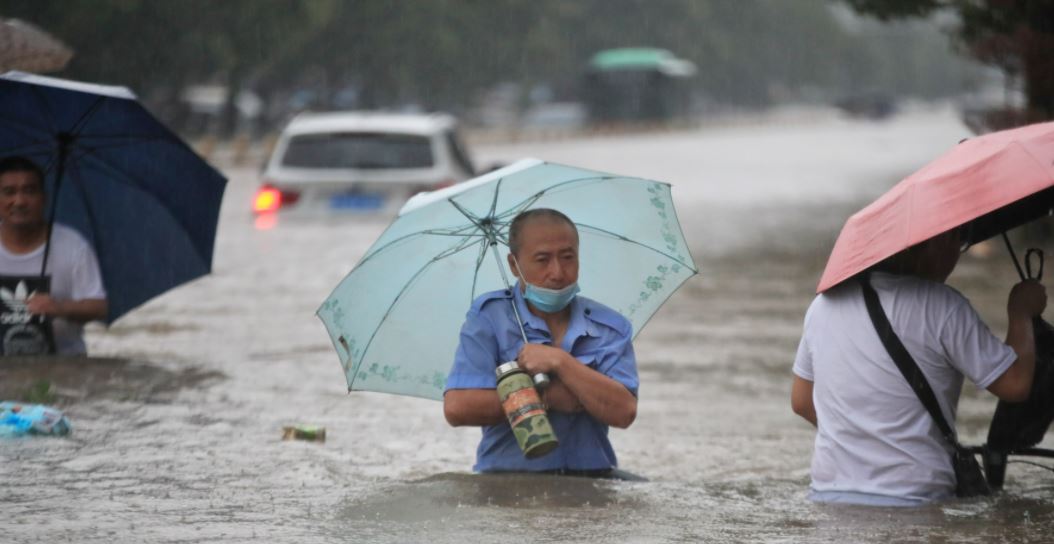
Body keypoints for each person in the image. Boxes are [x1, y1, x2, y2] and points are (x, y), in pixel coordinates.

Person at [791, 227, 1047, 506]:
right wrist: (1021, 314)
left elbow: (802, 401)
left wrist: (864, 436)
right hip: (915, 497)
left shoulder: (823, 306)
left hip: (829, 495)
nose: (955, 255)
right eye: (956, 242)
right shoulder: (943, 306)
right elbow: (1015, 384)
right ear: (931, 244)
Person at [443, 208, 639, 475]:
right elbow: (458, 407)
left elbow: (624, 412)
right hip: (507, 480)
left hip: (592, 480)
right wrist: (549, 397)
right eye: (542, 259)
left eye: (568, 257)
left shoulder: (610, 327)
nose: (557, 272)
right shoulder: (489, 318)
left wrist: (560, 362)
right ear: (514, 265)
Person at [0, 156, 107, 355]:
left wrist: (60, 307)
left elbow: (99, 306)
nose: (20, 201)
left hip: (63, 367)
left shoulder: (73, 245)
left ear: (44, 198)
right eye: (9, 192)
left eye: (29, 191)